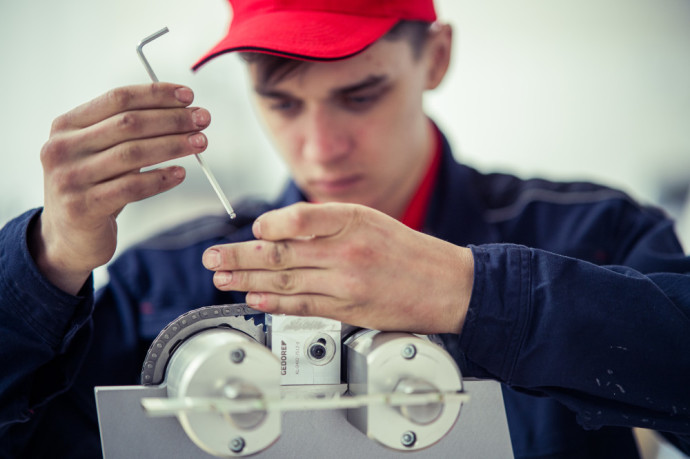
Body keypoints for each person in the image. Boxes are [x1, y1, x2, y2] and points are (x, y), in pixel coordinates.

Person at [1, 0, 688, 457]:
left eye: (361, 95)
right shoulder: (169, 278)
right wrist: (48, 263)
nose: (320, 147)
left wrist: (471, 292)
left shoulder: (597, 233)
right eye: (280, 100)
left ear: (436, 57)